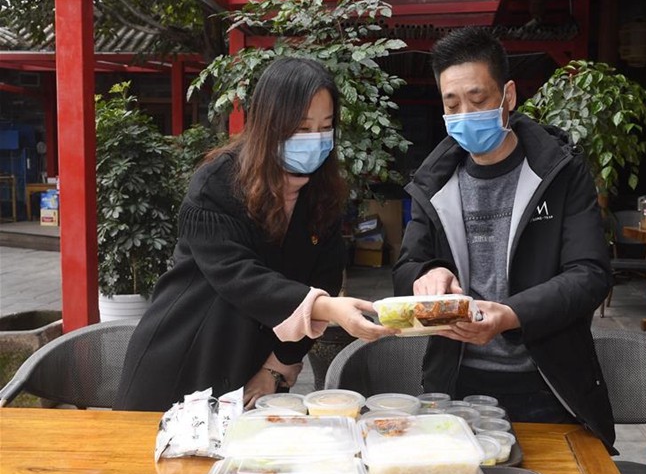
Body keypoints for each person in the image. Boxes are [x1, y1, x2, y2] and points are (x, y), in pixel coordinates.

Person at [115, 57, 395, 412]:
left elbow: (324, 276)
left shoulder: (321, 192)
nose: (315, 140)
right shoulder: (218, 182)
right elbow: (239, 275)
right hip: (185, 356)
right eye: (302, 127)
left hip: (254, 369)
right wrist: (326, 307)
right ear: (268, 124)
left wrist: (276, 367)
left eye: (325, 127)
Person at [393, 28, 616, 450]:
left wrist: (510, 315)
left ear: (508, 96)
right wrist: (428, 274)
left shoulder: (559, 172)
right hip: (456, 382)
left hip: (548, 385)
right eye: (452, 104)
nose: (465, 114)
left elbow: (589, 274)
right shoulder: (434, 182)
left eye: (477, 100)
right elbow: (406, 267)